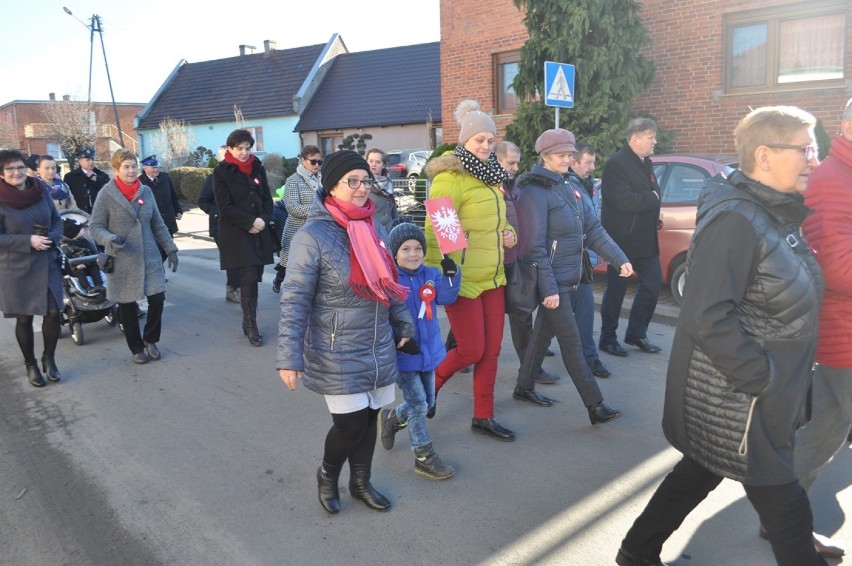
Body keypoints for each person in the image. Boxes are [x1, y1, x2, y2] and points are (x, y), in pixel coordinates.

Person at [615, 106, 825, 566]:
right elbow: (707, 313)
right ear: (766, 155)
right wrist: (763, 377)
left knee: (700, 469)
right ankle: (635, 550)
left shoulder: (773, 212)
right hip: (746, 398)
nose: (815, 158)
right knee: (786, 511)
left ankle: (636, 549)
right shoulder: (738, 219)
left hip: (755, 394)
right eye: (806, 148)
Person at [277, 150, 415, 514]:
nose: (360, 188)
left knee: (370, 418)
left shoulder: (376, 227)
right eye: (351, 181)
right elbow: (294, 300)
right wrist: (289, 358)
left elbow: (390, 283)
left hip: (377, 342)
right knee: (350, 424)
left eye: (364, 180)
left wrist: (403, 324)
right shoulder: (313, 235)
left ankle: (361, 483)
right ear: (331, 187)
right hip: (336, 347)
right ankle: (327, 474)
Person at [513, 129, 629, 424]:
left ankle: (523, 387)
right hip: (553, 281)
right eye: (563, 155)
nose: (569, 159)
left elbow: (593, 230)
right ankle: (595, 406)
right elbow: (533, 247)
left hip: (571, 275)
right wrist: (548, 289)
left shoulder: (569, 186)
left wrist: (619, 259)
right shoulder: (532, 192)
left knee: (541, 335)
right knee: (572, 341)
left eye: (570, 154)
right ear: (545, 156)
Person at [423, 99, 517, 441]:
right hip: (461, 279)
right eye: (479, 139)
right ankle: (428, 389)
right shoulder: (450, 177)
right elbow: (438, 233)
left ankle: (484, 415)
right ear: (464, 140)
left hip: (493, 276)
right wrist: (443, 270)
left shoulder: (493, 177)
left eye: (490, 140)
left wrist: (509, 235)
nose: (485, 145)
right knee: (471, 349)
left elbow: (501, 221)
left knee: (491, 351)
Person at [785, 97, 852, 559]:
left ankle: (781, 513)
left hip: (841, 329)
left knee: (826, 427)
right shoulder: (832, 179)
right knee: (826, 426)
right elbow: (835, 264)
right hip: (843, 327)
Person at [379, 221, 460, 480]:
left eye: (417, 248)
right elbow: (382, 317)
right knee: (417, 403)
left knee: (428, 402)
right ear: (394, 253)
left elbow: (446, 298)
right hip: (405, 353)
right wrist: (397, 339)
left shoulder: (432, 274)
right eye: (405, 249)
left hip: (430, 349)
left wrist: (452, 274)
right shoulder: (388, 280)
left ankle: (392, 418)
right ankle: (423, 455)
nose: (413, 254)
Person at [88, 149, 179, 365]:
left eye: (133, 166)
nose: (131, 171)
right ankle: (136, 348)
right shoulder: (107, 194)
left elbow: (157, 223)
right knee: (127, 306)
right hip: (122, 257)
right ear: (116, 170)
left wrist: (170, 248)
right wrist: (108, 238)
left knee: (157, 299)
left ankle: (150, 339)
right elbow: (95, 226)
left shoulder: (146, 191)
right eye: (126, 167)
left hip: (149, 256)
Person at [496, 140, 559, 385]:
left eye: (517, 162)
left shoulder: (513, 186)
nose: (515, 167)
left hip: (514, 260)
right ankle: (455, 349)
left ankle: (530, 366)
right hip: (495, 263)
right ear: (497, 159)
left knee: (521, 314)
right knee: (486, 316)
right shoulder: (491, 186)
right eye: (510, 162)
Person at [599, 118, 663, 357]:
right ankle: (607, 338)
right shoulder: (617, 164)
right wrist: (652, 198)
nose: (654, 141)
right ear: (635, 139)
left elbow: (653, 191)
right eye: (650, 137)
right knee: (617, 290)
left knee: (653, 284)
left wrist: (651, 196)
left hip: (645, 240)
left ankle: (636, 332)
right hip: (622, 240)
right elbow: (622, 201)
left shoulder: (645, 162)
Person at [0, 149, 64, 387]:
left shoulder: (41, 191)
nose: (16, 172)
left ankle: (49, 357)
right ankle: (31, 364)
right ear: (2, 174)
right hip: (16, 268)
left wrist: (53, 238)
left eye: (19, 167)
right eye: (9, 169)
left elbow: (56, 220)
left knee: (54, 312)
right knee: (24, 318)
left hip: (47, 262)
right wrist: (28, 241)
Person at [213, 129, 275, 347]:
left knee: (255, 278)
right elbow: (225, 207)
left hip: (259, 230)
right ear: (230, 148)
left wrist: (263, 220)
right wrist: (249, 222)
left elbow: (267, 198)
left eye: (247, 148)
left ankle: (248, 319)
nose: (244, 152)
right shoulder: (221, 172)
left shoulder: (257, 167)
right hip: (236, 233)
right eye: (239, 148)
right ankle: (251, 325)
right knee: (248, 277)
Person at [567, 142, 611, 378]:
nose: (593, 167)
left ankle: (533, 361)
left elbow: (594, 222)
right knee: (581, 310)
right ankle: (589, 359)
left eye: (594, 161)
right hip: (567, 261)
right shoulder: (567, 187)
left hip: (582, 259)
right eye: (588, 162)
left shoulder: (590, 187)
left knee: (573, 312)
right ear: (574, 163)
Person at [276, 145, 322, 291]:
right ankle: (279, 279)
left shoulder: (323, 179)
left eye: (319, 162)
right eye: (313, 161)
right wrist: (319, 210)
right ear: (303, 160)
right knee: (289, 264)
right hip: (297, 230)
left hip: (319, 230)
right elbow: (293, 207)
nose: (317, 165)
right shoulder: (293, 180)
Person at [198, 146, 240, 303]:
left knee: (238, 258)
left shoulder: (238, 176)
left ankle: (233, 289)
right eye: (225, 156)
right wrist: (218, 213)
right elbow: (203, 201)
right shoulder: (214, 177)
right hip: (220, 226)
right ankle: (235, 289)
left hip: (238, 226)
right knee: (232, 258)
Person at [139, 155, 182, 262]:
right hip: (151, 223)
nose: (156, 169)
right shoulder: (139, 182)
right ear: (145, 168)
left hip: (167, 219)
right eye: (153, 167)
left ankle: (158, 270)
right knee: (156, 249)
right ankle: (158, 274)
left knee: (167, 249)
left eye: (157, 167)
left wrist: (178, 210)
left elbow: (173, 195)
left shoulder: (165, 178)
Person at [64, 147, 109, 214]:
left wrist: (94, 178)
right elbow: (66, 196)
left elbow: (108, 189)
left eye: (92, 159)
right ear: (80, 161)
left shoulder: (101, 175)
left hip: (98, 213)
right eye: (87, 160)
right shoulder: (70, 177)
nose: (91, 162)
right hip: (78, 213)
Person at [365, 147, 398, 234]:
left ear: (383, 165)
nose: (373, 164)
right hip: (372, 232)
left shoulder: (388, 182)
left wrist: (397, 225)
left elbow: (393, 209)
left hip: (390, 232)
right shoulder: (363, 184)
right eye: (371, 161)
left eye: (378, 162)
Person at [269, 185, 288, 293]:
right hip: (284, 243)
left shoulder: (296, 208)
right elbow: (271, 223)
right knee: (286, 265)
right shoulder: (276, 209)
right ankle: (278, 281)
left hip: (299, 242)